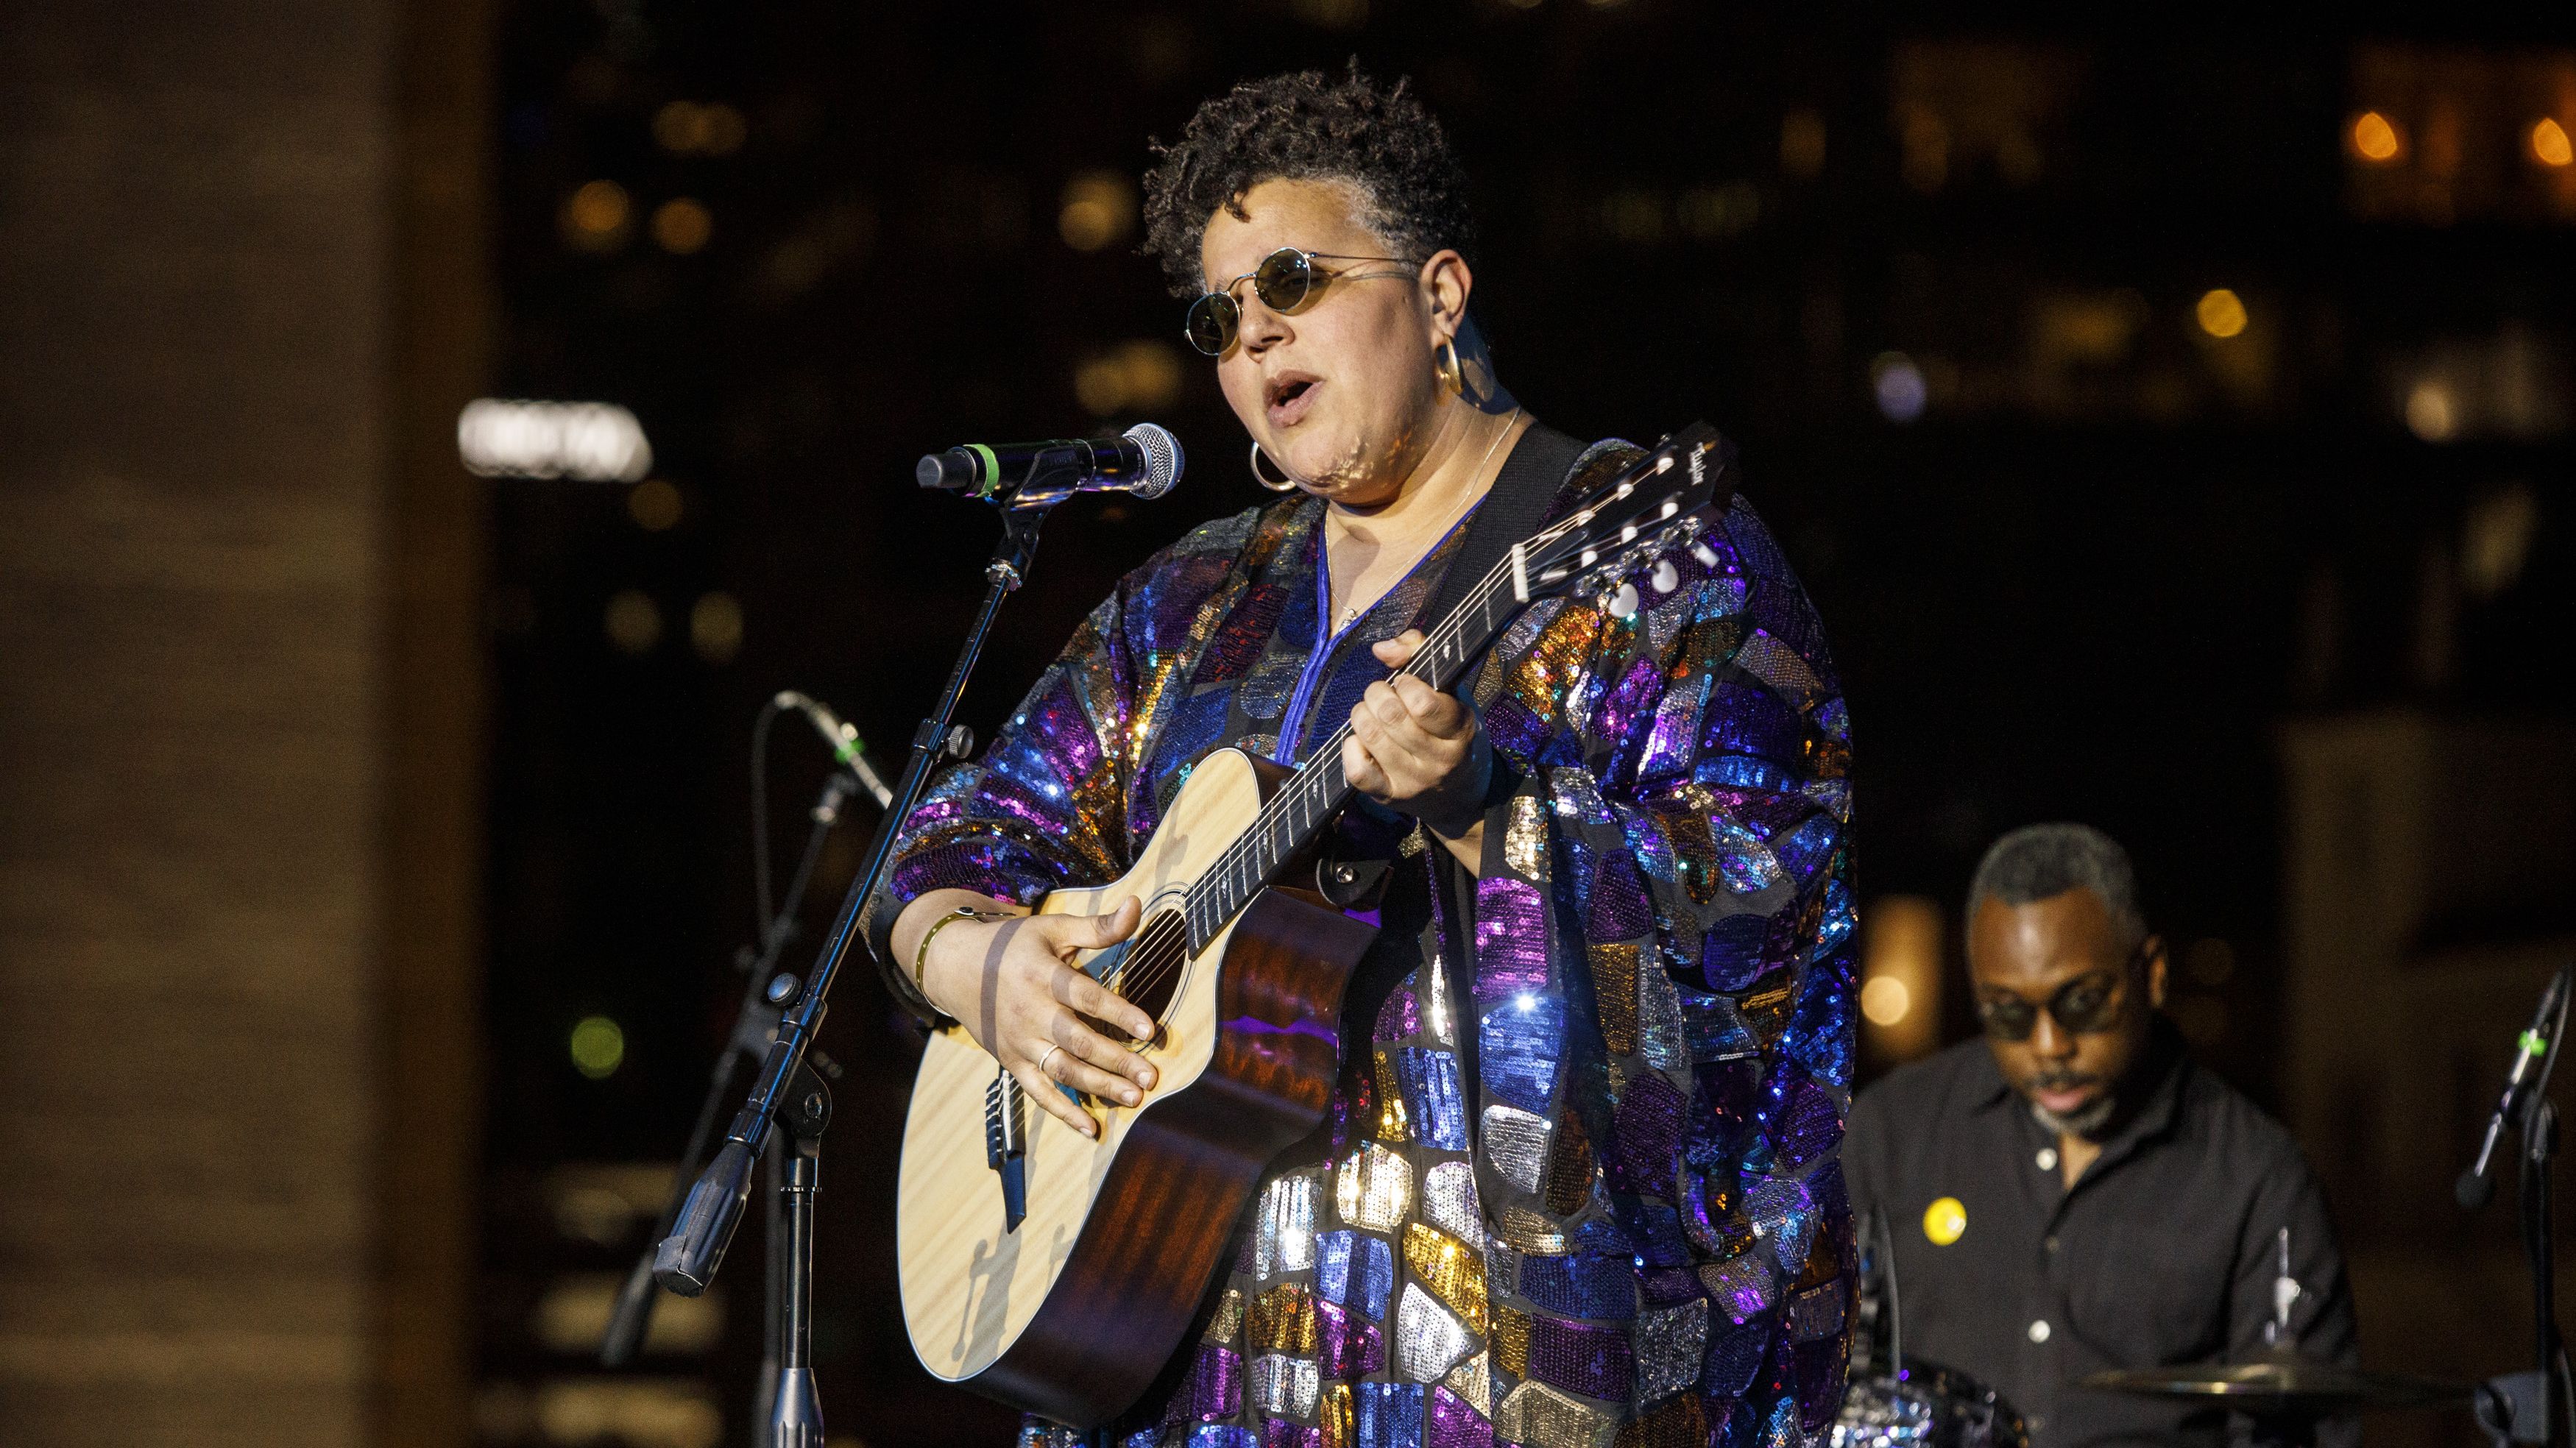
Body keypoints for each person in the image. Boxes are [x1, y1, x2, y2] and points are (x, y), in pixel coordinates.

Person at [865, 66, 1857, 1448]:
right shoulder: (1191, 602)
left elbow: (1758, 932)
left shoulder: (1652, 560)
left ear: (1442, 296)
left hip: (1493, 1370)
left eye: (1296, 279)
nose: (1256, 331)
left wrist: (1487, 810)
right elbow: (953, 838)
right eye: (1221, 314)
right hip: (1177, 1356)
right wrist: (982, 963)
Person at [1843, 823, 2358, 1448]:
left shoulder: (2259, 1178)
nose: (2049, 1045)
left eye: (2083, 1003)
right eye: (2008, 1012)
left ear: (2154, 974)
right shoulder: (1888, 1131)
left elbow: (2299, 1426)